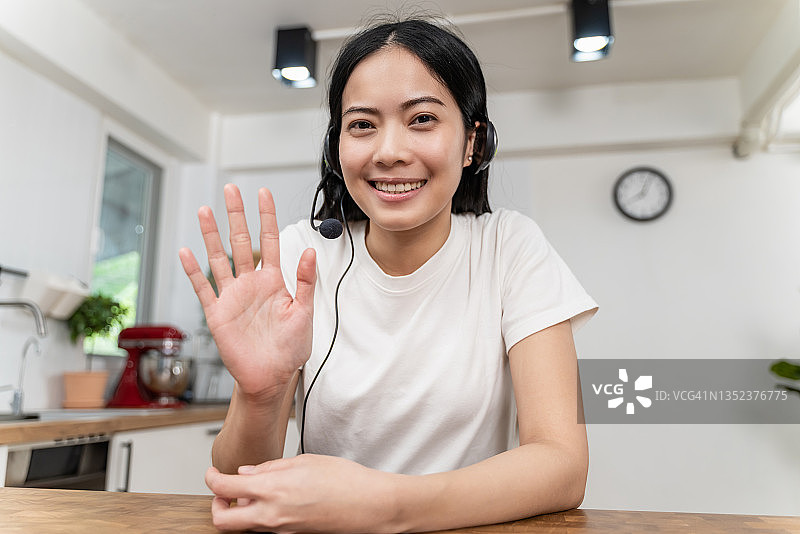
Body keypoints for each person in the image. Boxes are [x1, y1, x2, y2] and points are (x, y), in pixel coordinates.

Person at [179, 17, 598, 533]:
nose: (389, 151)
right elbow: (236, 482)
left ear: (472, 143)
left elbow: (562, 463)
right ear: (338, 147)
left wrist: (386, 507)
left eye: (422, 119)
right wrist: (260, 397)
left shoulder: (508, 247)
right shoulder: (301, 257)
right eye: (362, 124)